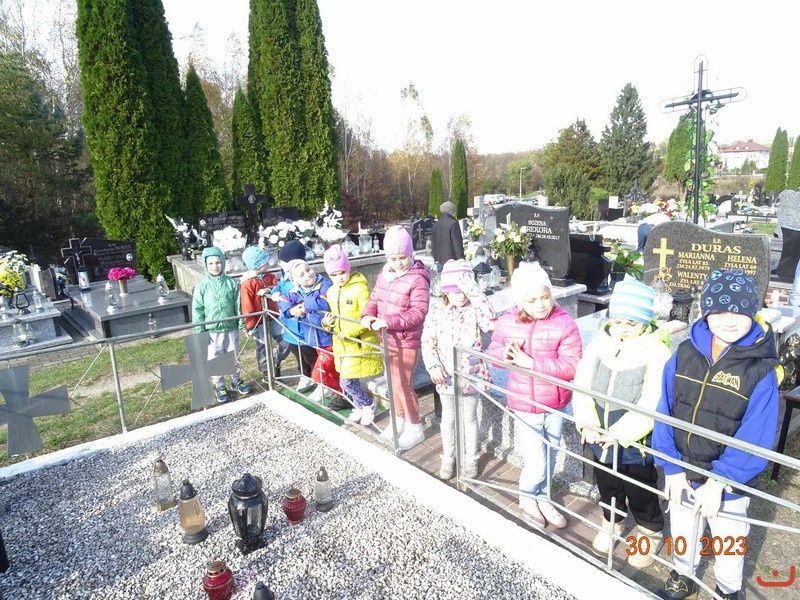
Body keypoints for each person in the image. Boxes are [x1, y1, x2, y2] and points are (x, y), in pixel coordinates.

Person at [653, 268, 780, 600]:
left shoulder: (760, 372)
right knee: (683, 528)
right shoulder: (684, 353)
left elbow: (755, 438)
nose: (728, 320)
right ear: (705, 311)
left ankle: (727, 589)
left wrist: (719, 481)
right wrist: (671, 467)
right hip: (683, 470)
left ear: (753, 311)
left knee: (728, 539)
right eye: (719, 311)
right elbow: (664, 409)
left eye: (738, 310)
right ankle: (684, 574)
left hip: (727, 483)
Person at [572, 279, 671, 568]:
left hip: (634, 441)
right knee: (608, 483)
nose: (622, 328)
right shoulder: (600, 343)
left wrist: (620, 433)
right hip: (599, 433)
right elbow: (583, 384)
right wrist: (587, 423)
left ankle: (649, 529)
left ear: (645, 320)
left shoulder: (657, 351)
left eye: (631, 323)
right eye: (617, 321)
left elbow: (652, 400)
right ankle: (611, 520)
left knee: (640, 487)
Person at [486, 262, 582, 529]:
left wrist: (531, 363)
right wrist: (504, 356)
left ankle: (543, 497)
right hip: (524, 402)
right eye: (532, 300)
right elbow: (493, 351)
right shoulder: (508, 321)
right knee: (536, 462)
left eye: (545, 297)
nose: (540, 305)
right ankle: (527, 497)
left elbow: (572, 366)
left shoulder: (565, 324)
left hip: (555, 403)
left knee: (550, 455)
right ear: (520, 300)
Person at [421, 259, 496, 480]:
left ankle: (471, 457)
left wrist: (476, 293)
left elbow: (491, 323)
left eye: (465, 290)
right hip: (445, 374)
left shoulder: (475, 310)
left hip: (470, 374)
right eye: (456, 291)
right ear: (446, 291)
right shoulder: (437, 312)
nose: (461, 295)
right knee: (449, 418)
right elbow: (428, 342)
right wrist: (433, 365)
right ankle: (448, 456)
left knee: (470, 417)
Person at [361, 225, 431, 451]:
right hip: (387, 339)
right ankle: (398, 419)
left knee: (403, 384)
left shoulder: (417, 279)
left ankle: (415, 426)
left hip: (406, 340)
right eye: (394, 258)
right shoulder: (385, 275)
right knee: (392, 383)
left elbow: (418, 312)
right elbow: (375, 298)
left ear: (411, 254)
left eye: (403, 257)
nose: (399, 263)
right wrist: (367, 314)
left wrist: (387, 322)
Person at [321, 244, 384, 425]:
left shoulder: (359, 288)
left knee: (346, 382)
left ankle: (368, 404)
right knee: (348, 381)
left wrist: (348, 332)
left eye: (342, 272)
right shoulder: (332, 291)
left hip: (357, 342)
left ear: (348, 269)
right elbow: (332, 316)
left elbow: (366, 315)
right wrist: (326, 324)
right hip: (342, 345)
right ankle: (360, 406)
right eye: (334, 275)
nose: (339, 278)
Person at [278, 259, 345, 407]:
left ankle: (344, 394)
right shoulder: (298, 290)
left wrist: (303, 305)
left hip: (328, 339)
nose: (308, 275)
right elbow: (284, 299)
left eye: (308, 269)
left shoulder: (324, 284)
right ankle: (343, 395)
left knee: (318, 374)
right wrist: (291, 310)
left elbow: (323, 302)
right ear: (295, 281)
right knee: (332, 372)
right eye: (301, 275)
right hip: (314, 339)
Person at [192, 246, 252, 403]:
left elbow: (238, 305)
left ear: (223, 263)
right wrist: (200, 330)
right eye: (211, 263)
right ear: (206, 265)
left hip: (230, 327)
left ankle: (236, 380)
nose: (215, 266)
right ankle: (219, 385)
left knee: (233, 355)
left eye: (218, 262)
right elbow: (198, 309)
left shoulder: (231, 283)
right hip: (212, 330)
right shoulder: (202, 286)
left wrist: (241, 324)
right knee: (215, 357)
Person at [272, 240, 314, 389]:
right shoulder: (285, 276)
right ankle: (305, 375)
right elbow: (279, 286)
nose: (280, 264)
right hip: (290, 327)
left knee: (310, 355)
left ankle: (319, 379)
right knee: (298, 354)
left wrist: (288, 306)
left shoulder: (301, 280)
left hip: (303, 328)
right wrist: (274, 291)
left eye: (283, 261)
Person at [240, 246, 279, 384]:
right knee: (263, 347)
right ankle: (266, 371)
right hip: (260, 321)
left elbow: (278, 287)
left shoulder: (270, 277)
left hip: (274, 316)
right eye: (265, 262)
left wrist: (269, 289)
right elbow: (247, 306)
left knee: (285, 342)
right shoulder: (247, 283)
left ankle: (276, 362)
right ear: (257, 264)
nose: (268, 264)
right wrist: (250, 325)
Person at [431, 201, 465, 267]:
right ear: (452, 212)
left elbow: (433, 244)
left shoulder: (436, 224)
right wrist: (462, 261)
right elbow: (457, 244)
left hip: (439, 260)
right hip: (451, 261)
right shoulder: (454, 223)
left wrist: (436, 259)